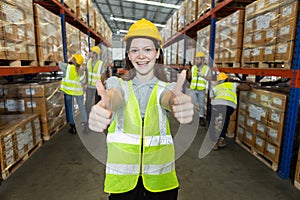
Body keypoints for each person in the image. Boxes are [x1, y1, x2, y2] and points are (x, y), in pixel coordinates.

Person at [88, 18, 194, 200]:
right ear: (128, 55)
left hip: (159, 180)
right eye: (135, 50)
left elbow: (167, 99)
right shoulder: (118, 84)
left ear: (157, 53)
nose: (141, 56)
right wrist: (106, 104)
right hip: (124, 181)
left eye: (147, 50)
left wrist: (176, 102)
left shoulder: (165, 88)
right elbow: (115, 95)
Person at [210, 72, 250, 150]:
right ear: (227, 79)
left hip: (217, 104)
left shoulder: (216, 87)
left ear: (219, 81)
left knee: (213, 120)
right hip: (229, 106)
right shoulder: (233, 85)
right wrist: (242, 82)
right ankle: (221, 139)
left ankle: (213, 141)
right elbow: (247, 88)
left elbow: (211, 98)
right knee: (225, 119)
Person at [54, 48, 88, 134]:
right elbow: (83, 81)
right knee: (82, 108)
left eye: (73, 58)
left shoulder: (67, 67)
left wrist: (55, 50)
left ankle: (73, 127)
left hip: (69, 92)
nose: (72, 58)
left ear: (75, 61)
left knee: (70, 109)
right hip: (78, 92)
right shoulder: (81, 70)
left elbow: (56, 60)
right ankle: (86, 126)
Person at [189, 51, 211, 126]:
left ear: (202, 60)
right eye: (196, 59)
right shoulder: (193, 67)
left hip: (201, 90)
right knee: (192, 104)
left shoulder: (207, 69)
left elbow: (209, 78)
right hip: (193, 89)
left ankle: (201, 118)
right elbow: (191, 77)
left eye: (198, 59)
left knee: (201, 105)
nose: (196, 60)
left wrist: (202, 75)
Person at [85, 45, 106, 120]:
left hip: (97, 87)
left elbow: (103, 75)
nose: (89, 53)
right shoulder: (88, 62)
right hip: (90, 87)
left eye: (91, 52)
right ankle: (87, 120)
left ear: (95, 54)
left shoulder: (101, 64)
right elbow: (87, 73)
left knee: (97, 104)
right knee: (87, 104)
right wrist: (86, 83)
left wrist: (102, 86)